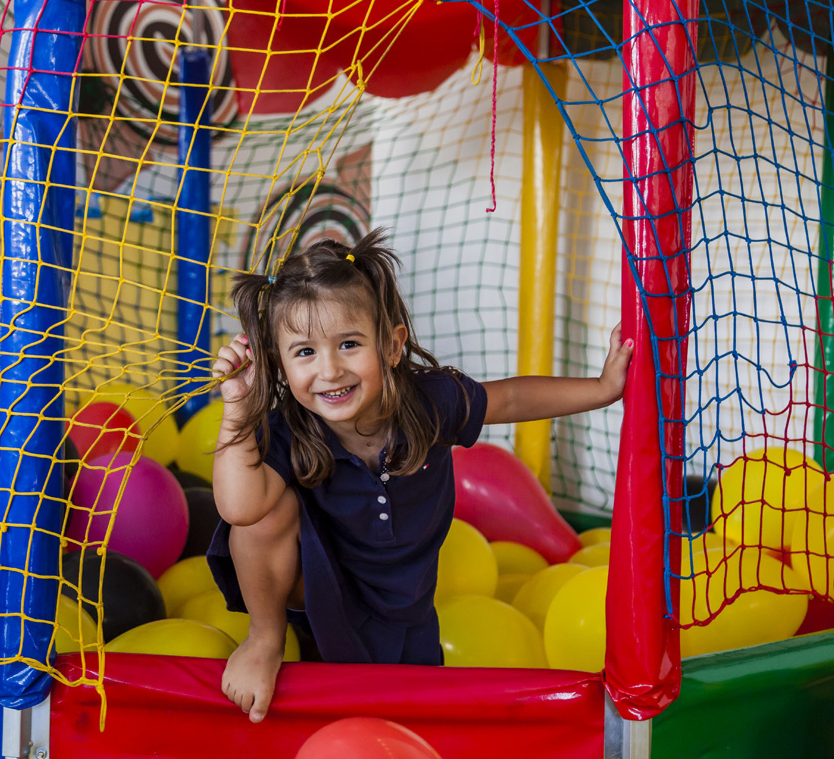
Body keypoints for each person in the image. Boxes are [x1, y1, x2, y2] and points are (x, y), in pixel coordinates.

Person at [208, 228, 633, 723]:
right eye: (304, 352)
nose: (329, 370)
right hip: (316, 590)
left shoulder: (430, 401)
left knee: (409, 719)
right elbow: (239, 510)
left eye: (348, 344)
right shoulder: (289, 427)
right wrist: (237, 409)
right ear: (280, 363)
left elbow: (512, 398)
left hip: (404, 603)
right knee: (262, 511)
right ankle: (264, 639)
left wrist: (602, 389)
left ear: (391, 346)